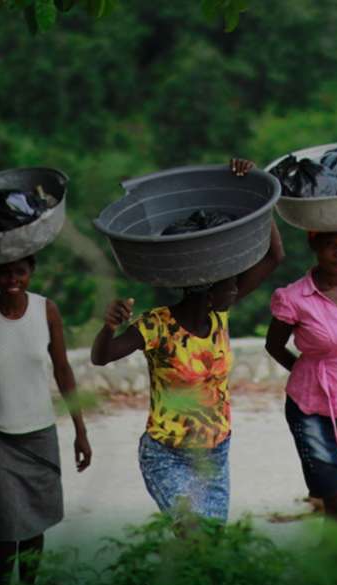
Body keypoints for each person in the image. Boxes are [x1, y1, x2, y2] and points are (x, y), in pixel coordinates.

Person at [90, 159, 284, 521]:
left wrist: (255, 198)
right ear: (209, 289)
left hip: (215, 455)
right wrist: (108, 326)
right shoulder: (157, 325)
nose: (237, 287)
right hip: (167, 453)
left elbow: (275, 255)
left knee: (207, 552)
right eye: (231, 280)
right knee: (192, 533)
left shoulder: (219, 314)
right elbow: (101, 357)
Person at [0, 254, 92, 585]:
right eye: (4, 273)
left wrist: (80, 429)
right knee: (6, 525)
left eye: (19, 271)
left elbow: (63, 369)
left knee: (35, 520)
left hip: (39, 431)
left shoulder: (46, 310)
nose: (12, 279)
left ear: (31, 271)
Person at [264, 228, 337, 579]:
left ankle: (328, 553)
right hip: (311, 405)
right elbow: (274, 345)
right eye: (331, 246)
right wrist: (306, 371)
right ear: (315, 247)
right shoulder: (294, 297)